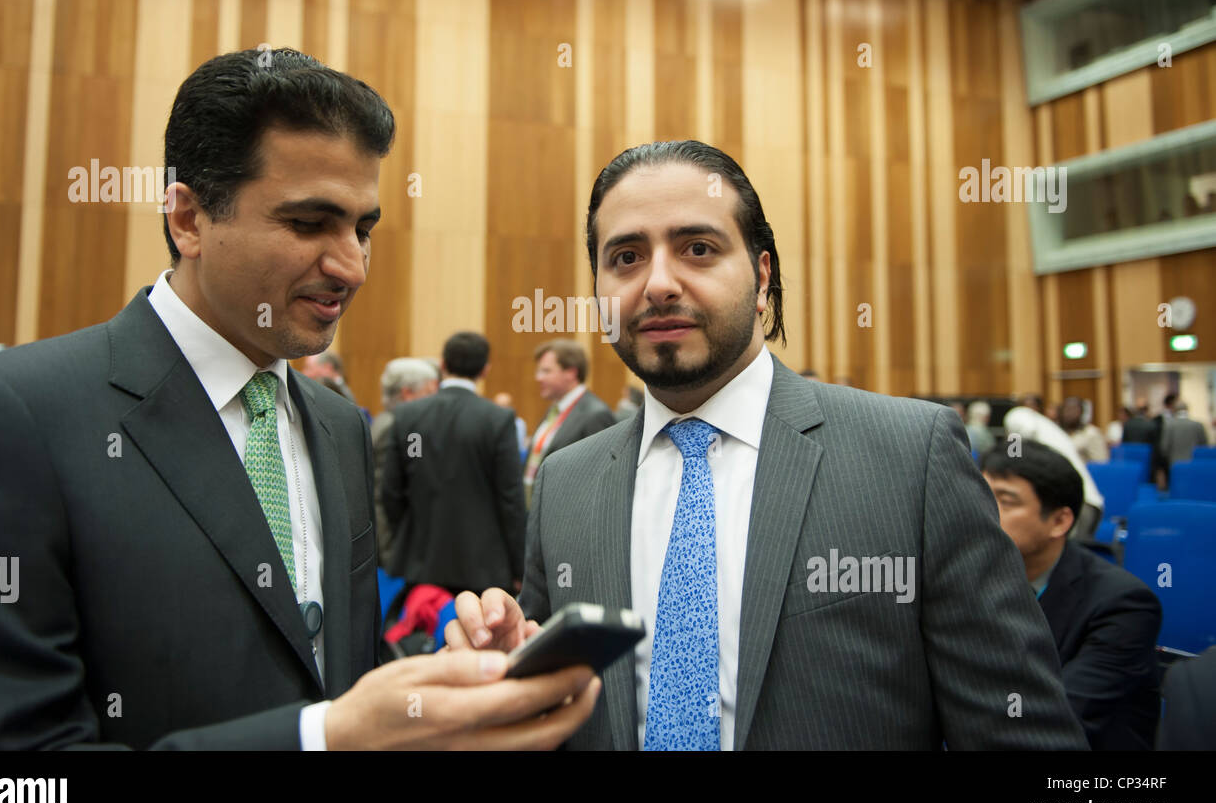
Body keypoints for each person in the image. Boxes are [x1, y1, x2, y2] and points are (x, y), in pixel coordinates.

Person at [0, 47, 597, 750]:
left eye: (363, 228)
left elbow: (330, 678)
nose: (351, 267)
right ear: (188, 219)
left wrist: (444, 687)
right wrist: (319, 739)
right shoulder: (3, 418)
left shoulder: (337, 425)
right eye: (308, 223)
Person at [447, 139, 1087, 750]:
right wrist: (507, 689)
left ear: (761, 276)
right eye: (625, 257)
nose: (658, 283)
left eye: (697, 248)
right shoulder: (567, 481)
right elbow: (558, 712)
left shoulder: (909, 455)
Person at [980, 441, 1162, 750]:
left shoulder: (1123, 605)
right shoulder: (966, 579)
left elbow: (1055, 721)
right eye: (980, 495)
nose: (981, 512)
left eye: (1006, 501)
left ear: (1059, 521)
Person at [382, 332, 526, 596]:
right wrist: (519, 567)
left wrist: (412, 534)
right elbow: (510, 500)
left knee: (422, 636)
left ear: (443, 365)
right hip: (483, 566)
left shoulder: (407, 416)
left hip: (422, 561)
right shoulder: (497, 419)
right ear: (485, 370)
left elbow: (391, 491)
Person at [523, 339, 616, 504]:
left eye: (546, 371)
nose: (538, 378)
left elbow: (603, 478)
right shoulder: (554, 410)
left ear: (571, 372)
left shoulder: (595, 414)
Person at [371, 357, 439, 570]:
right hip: (393, 546)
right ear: (408, 394)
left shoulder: (384, 420)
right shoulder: (402, 429)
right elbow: (385, 494)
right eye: (429, 393)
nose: (435, 401)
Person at [1002, 405, 1105, 541]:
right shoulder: (1045, 427)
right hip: (1083, 504)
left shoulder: (1016, 416)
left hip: (1079, 505)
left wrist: (1011, 462)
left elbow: (1016, 453)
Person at [1057, 396, 1109, 464]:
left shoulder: (1092, 433)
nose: (1070, 413)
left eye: (1074, 409)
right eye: (1066, 409)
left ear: (1082, 412)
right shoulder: (1056, 433)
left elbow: (1100, 463)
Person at [492, 391, 528, 459]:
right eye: (499, 406)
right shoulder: (488, 424)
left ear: (512, 407)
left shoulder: (519, 424)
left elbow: (519, 447)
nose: (501, 410)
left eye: (505, 406)